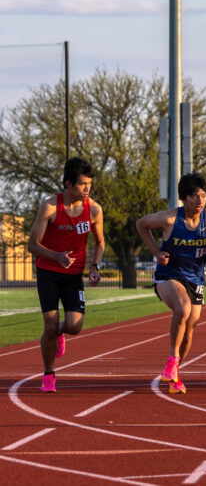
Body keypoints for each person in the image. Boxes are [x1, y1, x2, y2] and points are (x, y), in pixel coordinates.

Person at [135, 173, 206, 394]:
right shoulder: (170, 219)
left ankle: (175, 372)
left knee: (190, 329)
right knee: (183, 308)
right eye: (194, 196)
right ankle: (172, 360)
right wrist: (156, 252)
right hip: (169, 276)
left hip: (196, 279)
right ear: (183, 198)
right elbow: (141, 224)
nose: (200, 201)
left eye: (203, 196)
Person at [27, 158, 105, 393]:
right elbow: (32, 244)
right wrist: (55, 256)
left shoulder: (94, 209)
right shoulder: (50, 207)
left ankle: (60, 333)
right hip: (49, 272)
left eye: (89, 184)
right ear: (68, 185)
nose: (86, 189)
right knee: (49, 326)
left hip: (74, 275)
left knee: (74, 325)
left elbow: (100, 242)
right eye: (82, 184)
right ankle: (49, 374)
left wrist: (94, 267)